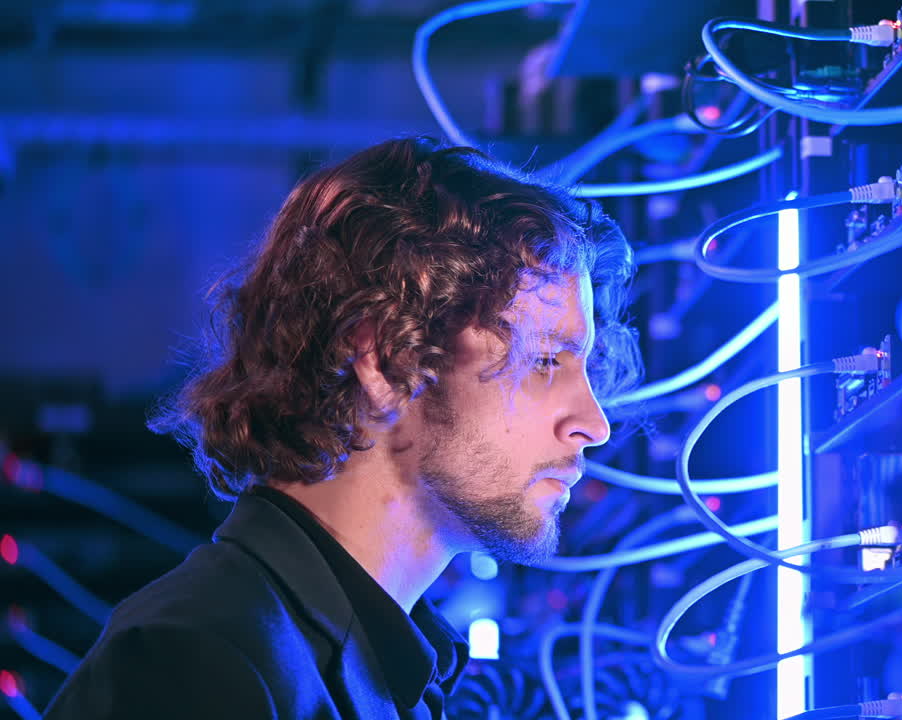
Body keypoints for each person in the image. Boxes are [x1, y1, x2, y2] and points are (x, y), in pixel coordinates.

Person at [41, 137, 642, 720]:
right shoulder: (198, 665)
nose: (594, 425)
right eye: (543, 361)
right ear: (386, 362)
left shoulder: (377, 664)